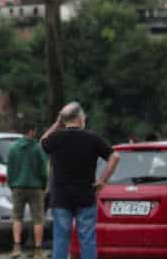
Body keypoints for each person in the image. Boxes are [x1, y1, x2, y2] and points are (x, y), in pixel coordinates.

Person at [41, 102, 121, 259]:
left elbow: (42, 141)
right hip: (86, 195)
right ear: (79, 118)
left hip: (61, 198)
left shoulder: (56, 138)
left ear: (64, 120)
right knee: (87, 239)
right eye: (83, 115)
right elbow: (115, 157)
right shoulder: (92, 138)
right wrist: (102, 181)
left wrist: (57, 124)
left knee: (61, 240)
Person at [7, 123, 49, 259]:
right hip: (35, 187)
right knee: (38, 219)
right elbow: (43, 170)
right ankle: (37, 250)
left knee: (17, 218)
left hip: (18, 186)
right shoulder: (37, 148)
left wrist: (12, 184)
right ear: (31, 131)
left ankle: (17, 247)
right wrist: (44, 184)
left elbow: (10, 169)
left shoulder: (13, 148)